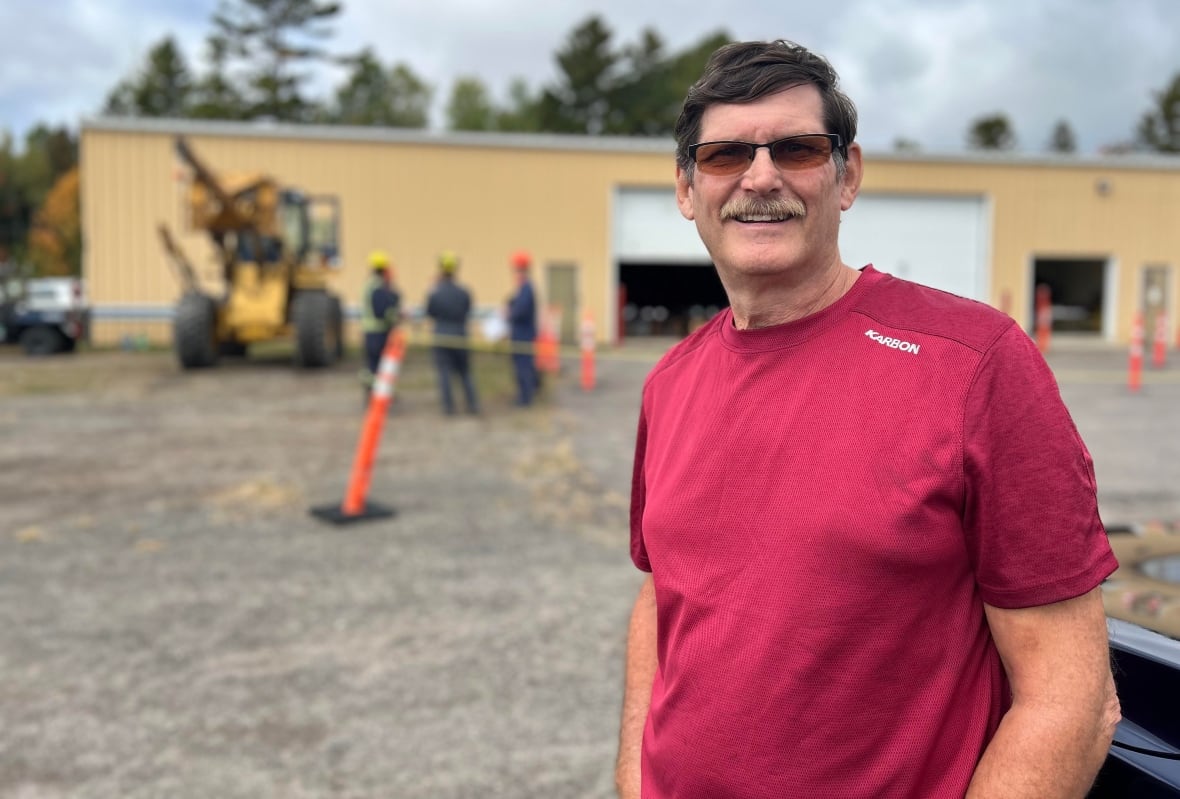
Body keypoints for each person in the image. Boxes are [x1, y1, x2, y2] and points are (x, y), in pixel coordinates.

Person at [616, 39, 1120, 799]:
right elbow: (663, 595)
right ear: (687, 188)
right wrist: (635, 779)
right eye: (724, 156)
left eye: (797, 149)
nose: (760, 177)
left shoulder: (973, 364)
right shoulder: (671, 382)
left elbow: (1073, 699)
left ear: (846, 175)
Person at [425, 251, 479, 415]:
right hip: (460, 334)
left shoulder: (435, 292)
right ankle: (472, 404)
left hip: (441, 335)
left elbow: (430, 312)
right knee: (465, 372)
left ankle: (449, 407)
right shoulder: (463, 292)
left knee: (444, 373)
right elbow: (469, 310)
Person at [359, 250, 401, 397]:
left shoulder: (370, 284)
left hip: (369, 331)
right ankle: (378, 395)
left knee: (372, 366)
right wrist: (395, 317)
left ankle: (372, 392)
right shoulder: (378, 286)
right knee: (379, 366)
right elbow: (382, 311)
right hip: (378, 332)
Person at [506, 250, 539, 406]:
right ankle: (526, 394)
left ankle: (525, 399)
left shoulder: (526, 289)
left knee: (523, 367)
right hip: (521, 334)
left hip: (523, 335)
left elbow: (520, 311)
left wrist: (509, 314)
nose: (515, 274)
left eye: (517, 270)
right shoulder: (523, 289)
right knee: (523, 366)